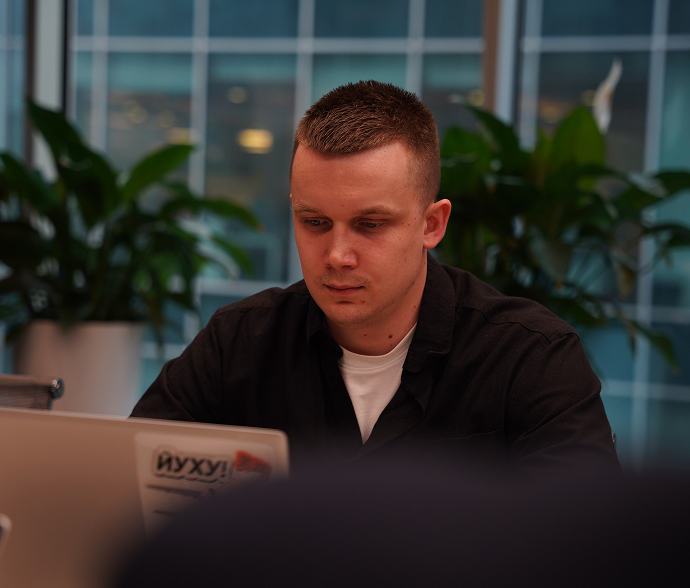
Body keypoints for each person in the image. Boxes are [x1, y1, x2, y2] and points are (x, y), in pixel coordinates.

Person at [131, 80, 618, 473]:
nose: (337, 255)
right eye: (315, 222)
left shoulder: (530, 359)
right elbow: (125, 486)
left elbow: (586, 544)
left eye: (370, 225)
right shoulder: (237, 345)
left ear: (432, 225)